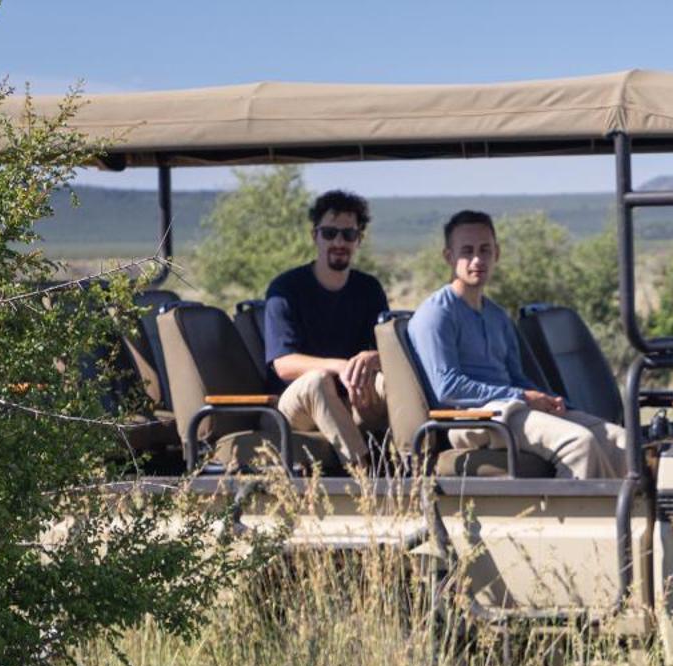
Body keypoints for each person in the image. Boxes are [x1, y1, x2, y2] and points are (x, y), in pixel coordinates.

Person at [406, 210, 624, 479]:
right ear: (449, 257)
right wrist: (522, 397)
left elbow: (515, 378)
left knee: (619, 440)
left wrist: (547, 400)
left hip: (509, 408)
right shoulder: (437, 313)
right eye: (467, 251)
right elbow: (448, 388)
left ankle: (634, 516)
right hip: (471, 418)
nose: (477, 259)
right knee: (579, 443)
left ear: (496, 253)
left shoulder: (497, 316)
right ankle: (578, 518)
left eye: (485, 250)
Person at [262, 189, 391, 473]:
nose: (339, 242)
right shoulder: (285, 290)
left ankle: (418, 466)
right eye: (330, 233)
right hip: (294, 405)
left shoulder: (368, 289)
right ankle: (364, 478)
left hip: (350, 399)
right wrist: (341, 367)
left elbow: (388, 350)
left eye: (348, 235)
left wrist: (374, 357)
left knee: (393, 381)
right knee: (318, 380)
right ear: (315, 236)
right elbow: (283, 364)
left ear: (359, 239)